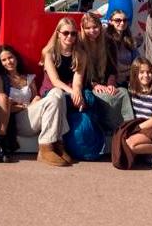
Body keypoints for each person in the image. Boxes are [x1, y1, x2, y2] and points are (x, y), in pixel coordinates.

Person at [0, 44, 71, 166]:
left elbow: (36, 99)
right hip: (16, 122)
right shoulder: (0, 78)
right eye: (4, 60)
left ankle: (57, 144)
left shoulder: (29, 78)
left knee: (57, 92)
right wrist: (24, 106)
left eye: (10, 57)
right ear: (0, 63)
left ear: (16, 58)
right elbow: (2, 107)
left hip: (32, 117)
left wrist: (36, 100)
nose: (8, 62)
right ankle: (47, 147)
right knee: (52, 100)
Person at [41, 17, 104, 162]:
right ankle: (58, 144)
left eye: (73, 33)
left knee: (88, 99)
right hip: (52, 91)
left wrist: (77, 92)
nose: (69, 36)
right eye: (65, 33)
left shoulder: (80, 54)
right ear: (58, 33)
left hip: (71, 90)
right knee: (60, 98)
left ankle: (88, 141)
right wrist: (73, 93)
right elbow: (55, 81)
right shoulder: (49, 53)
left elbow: (78, 81)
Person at [79, 12, 134, 132]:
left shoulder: (108, 42)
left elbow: (112, 68)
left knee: (123, 92)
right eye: (88, 28)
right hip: (88, 85)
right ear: (83, 28)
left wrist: (111, 83)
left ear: (100, 26)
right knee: (106, 98)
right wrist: (94, 85)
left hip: (105, 82)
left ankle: (129, 127)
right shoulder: (80, 44)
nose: (92, 31)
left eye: (95, 27)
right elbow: (78, 74)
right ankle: (112, 129)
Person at [116, 57, 152, 170]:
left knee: (131, 144)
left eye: (149, 72)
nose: (146, 75)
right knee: (120, 141)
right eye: (142, 72)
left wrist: (136, 129)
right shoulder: (132, 88)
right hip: (143, 127)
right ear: (135, 74)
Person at [105, 9, 138, 88]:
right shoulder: (107, 40)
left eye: (125, 20)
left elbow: (136, 59)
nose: (122, 23)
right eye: (118, 20)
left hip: (130, 79)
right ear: (110, 22)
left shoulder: (129, 39)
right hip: (113, 81)